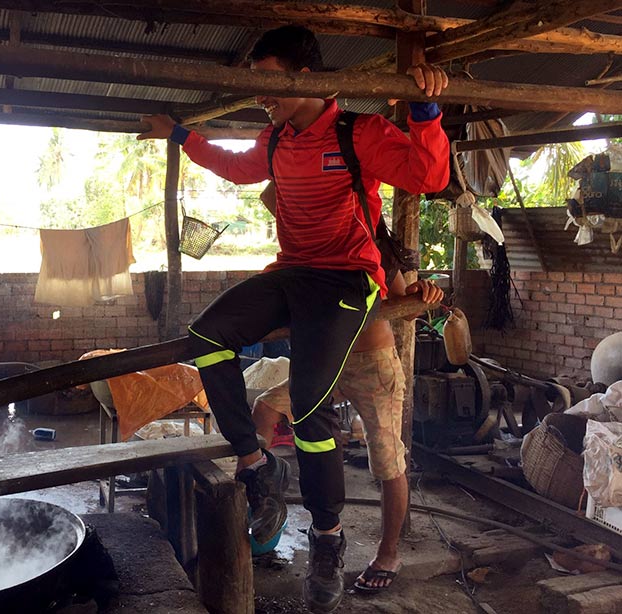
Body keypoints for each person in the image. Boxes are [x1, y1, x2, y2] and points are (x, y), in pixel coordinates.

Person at [138, 25, 449, 613]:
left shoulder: (357, 132)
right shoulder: (277, 139)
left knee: (308, 409)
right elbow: (236, 168)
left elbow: (428, 178)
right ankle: (257, 468)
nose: (262, 96)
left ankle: (328, 542)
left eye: (268, 83)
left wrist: (426, 110)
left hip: (346, 279)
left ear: (304, 78)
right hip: (293, 270)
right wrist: (180, 133)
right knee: (206, 337)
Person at [252, 181, 444, 592]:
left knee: (387, 461)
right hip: (323, 360)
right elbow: (273, 194)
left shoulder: (372, 246)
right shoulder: (310, 245)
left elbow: (405, 307)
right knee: (266, 408)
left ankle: (388, 551)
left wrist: (419, 295)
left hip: (372, 364)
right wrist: (292, 160)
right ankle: (266, 496)